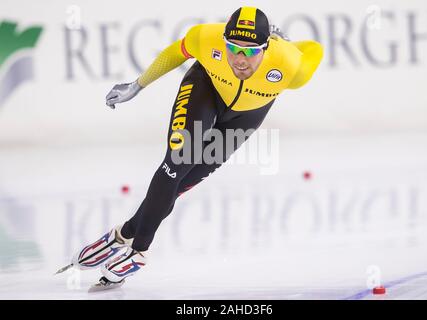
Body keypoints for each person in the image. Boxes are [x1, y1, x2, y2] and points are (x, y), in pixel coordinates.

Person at [70, 6, 323, 288]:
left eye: (251, 51)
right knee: (176, 164)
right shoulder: (207, 37)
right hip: (205, 89)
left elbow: (315, 49)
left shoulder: (291, 66)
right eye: (233, 48)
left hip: (246, 116)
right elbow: (175, 53)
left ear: (266, 47)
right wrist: (137, 85)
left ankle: (123, 234)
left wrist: (286, 43)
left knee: (183, 181)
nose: (240, 59)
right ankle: (139, 250)